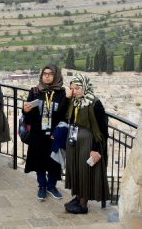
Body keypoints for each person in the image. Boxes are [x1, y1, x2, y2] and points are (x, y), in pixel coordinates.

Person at [23, 64, 70, 201]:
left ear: (56, 76)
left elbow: (63, 115)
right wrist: (25, 110)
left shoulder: (62, 94)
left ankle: (52, 186)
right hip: (38, 134)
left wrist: (67, 99)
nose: (47, 76)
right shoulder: (35, 91)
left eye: (50, 73)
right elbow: (29, 115)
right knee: (39, 161)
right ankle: (42, 186)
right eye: (44, 73)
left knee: (54, 161)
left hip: (54, 134)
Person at [64, 74, 109, 214]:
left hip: (88, 144)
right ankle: (77, 198)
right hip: (75, 142)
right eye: (72, 88)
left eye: (77, 88)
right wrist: (67, 98)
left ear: (85, 87)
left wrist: (95, 149)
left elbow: (102, 129)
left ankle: (83, 204)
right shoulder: (74, 102)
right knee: (77, 170)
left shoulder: (95, 103)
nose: (75, 91)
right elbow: (65, 116)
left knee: (85, 172)